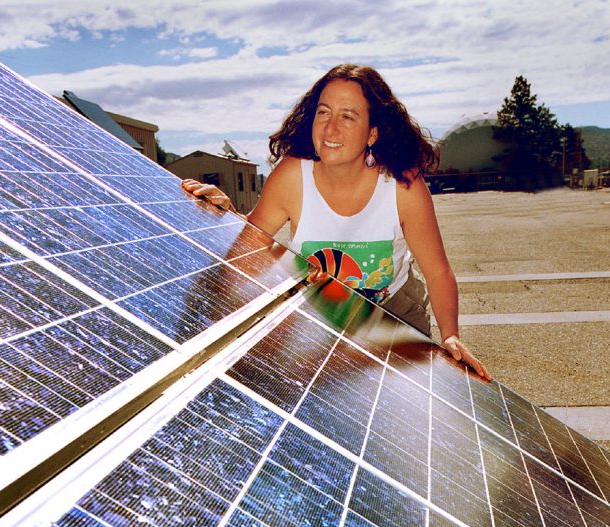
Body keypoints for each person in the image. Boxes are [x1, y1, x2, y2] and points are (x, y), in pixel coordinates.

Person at [182, 64, 491, 380]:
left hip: (393, 313)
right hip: (322, 309)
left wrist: (450, 335)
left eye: (348, 116)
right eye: (323, 113)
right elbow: (250, 247)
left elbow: (438, 272)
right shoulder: (292, 177)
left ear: (372, 133)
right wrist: (225, 215)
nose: (330, 129)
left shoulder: (402, 186)